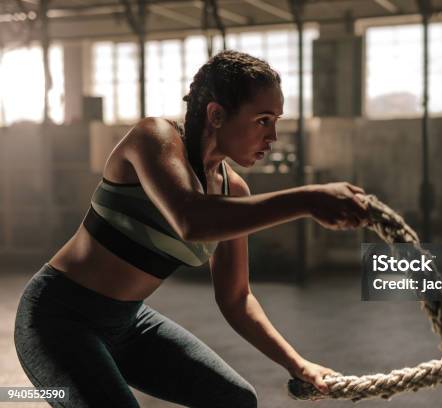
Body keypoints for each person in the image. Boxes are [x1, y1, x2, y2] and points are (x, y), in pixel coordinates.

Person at [13, 50, 370, 408]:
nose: (273, 136)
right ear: (216, 114)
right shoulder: (153, 137)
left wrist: (298, 364)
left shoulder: (234, 190)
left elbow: (236, 298)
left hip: (128, 324)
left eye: (276, 119)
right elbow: (190, 220)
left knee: (234, 400)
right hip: (58, 319)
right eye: (263, 120)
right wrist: (306, 201)